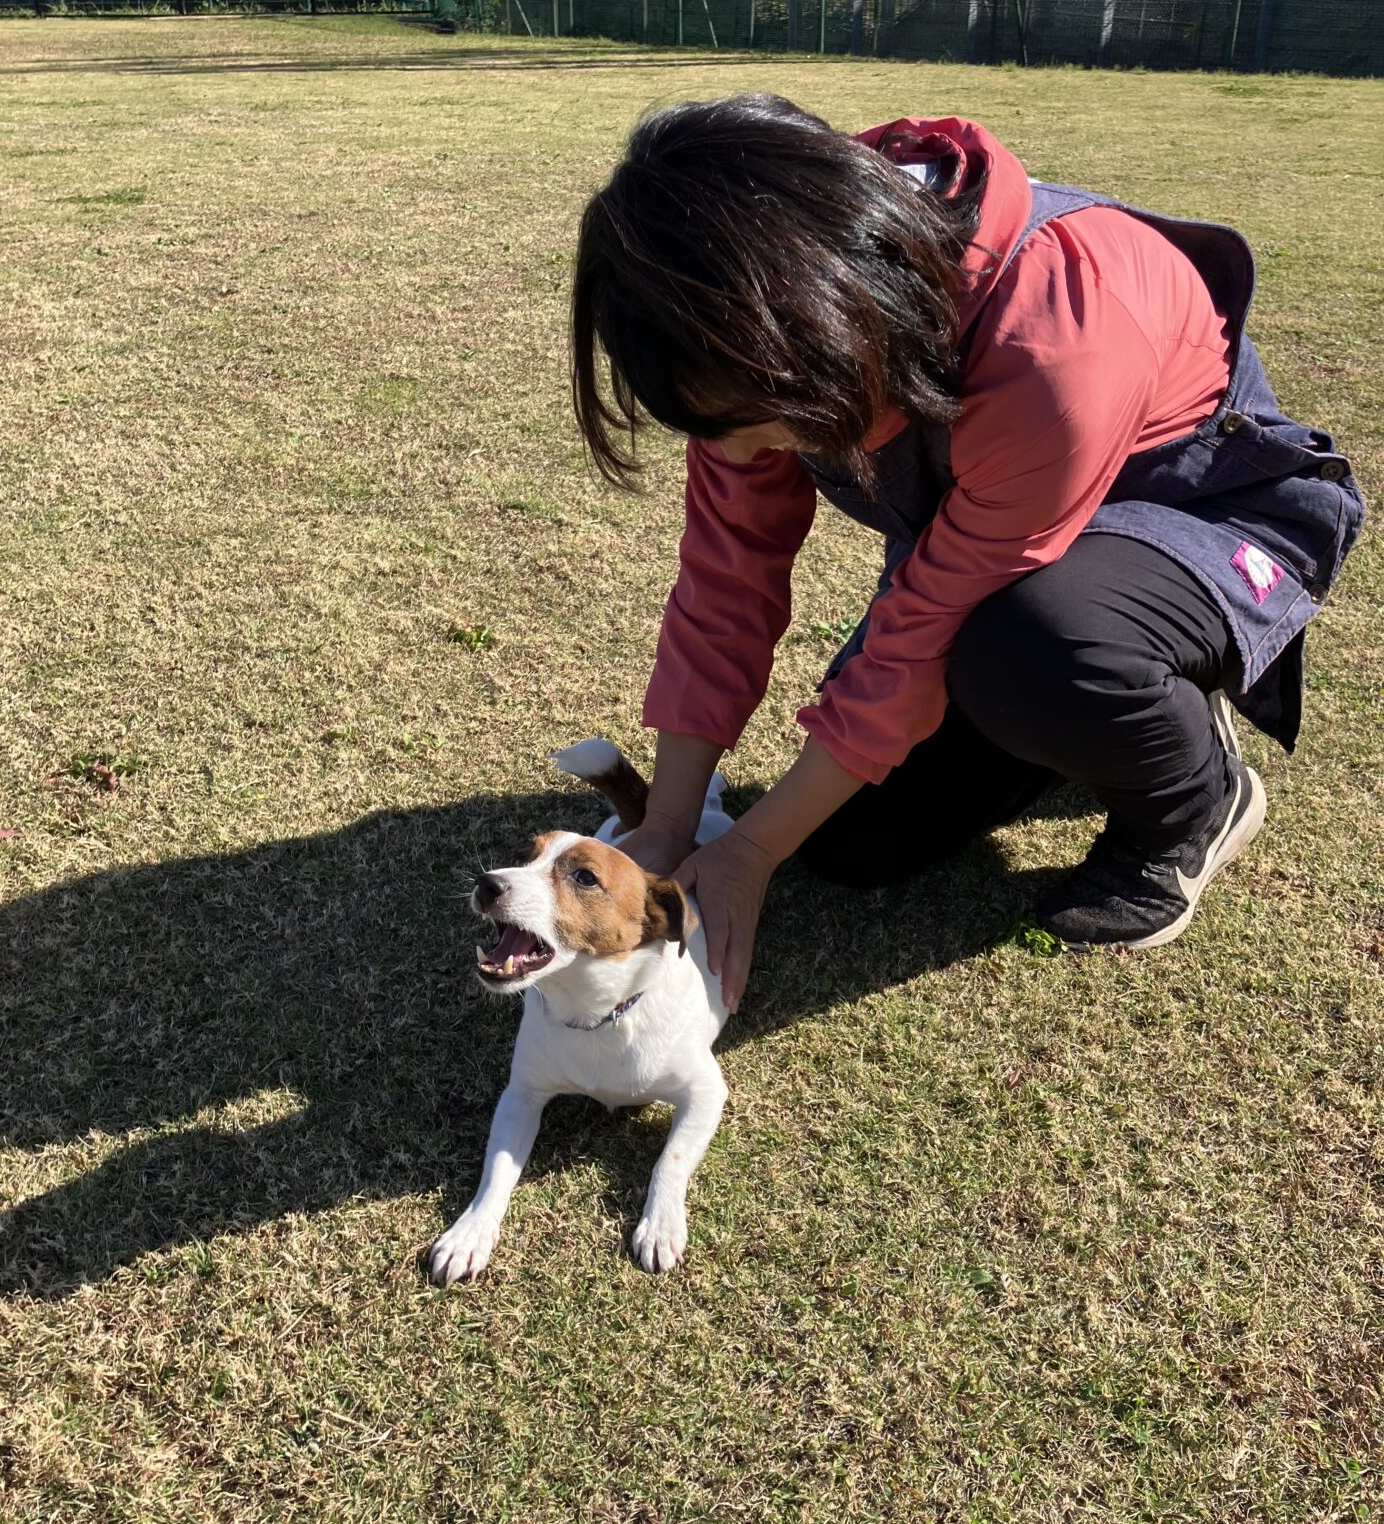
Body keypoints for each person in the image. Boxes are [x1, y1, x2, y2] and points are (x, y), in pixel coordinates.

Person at [569, 95, 1363, 1010]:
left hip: (1201, 518)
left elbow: (922, 632)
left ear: (824, 337)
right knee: (855, 842)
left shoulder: (1054, 337)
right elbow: (727, 582)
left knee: (1039, 645)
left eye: (754, 425)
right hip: (1007, 540)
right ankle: (1085, 717)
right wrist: (670, 824)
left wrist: (748, 850)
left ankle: (1195, 797)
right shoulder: (759, 317)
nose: (740, 454)